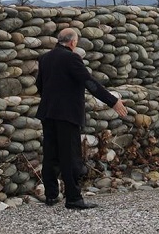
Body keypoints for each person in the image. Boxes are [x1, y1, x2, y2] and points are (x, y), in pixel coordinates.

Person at [35, 27, 127, 210]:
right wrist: (113, 101)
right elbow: (89, 83)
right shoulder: (71, 58)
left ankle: (51, 195)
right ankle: (73, 198)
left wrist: (51, 99)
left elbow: (40, 85)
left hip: (47, 112)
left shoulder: (45, 58)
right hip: (67, 114)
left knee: (50, 154)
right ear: (73, 42)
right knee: (70, 156)